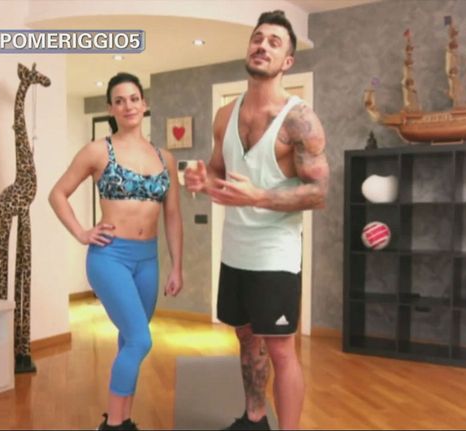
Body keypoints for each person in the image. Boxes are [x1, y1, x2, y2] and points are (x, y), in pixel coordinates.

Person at [184, 10, 329, 431]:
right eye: (258, 38)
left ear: (287, 61)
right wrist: (202, 180)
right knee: (246, 338)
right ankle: (254, 418)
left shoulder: (300, 120)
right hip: (235, 250)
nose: (262, 45)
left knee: (281, 349)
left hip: (275, 254)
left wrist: (259, 196)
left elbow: (319, 192)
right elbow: (217, 171)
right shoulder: (225, 115)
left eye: (274, 42)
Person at [49, 72, 183, 431]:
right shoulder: (98, 150)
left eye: (134, 98)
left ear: (145, 103)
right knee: (140, 339)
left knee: (128, 341)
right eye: (119, 100)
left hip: (148, 260)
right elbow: (57, 193)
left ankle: (122, 419)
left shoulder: (165, 158)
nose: (128, 106)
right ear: (110, 108)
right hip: (110, 258)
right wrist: (81, 232)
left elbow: (172, 215)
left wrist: (177, 266)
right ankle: (113, 426)